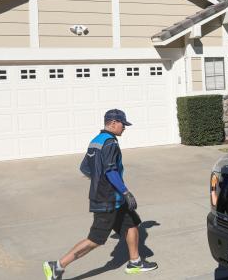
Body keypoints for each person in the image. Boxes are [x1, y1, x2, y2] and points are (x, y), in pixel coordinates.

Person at [43, 109, 158, 279]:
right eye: (122, 124)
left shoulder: (95, 141)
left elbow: (84, 168)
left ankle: (135, 262)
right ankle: (57, 266)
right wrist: (125, 191)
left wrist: (99, 180)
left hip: (112, 197)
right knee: (95, 239)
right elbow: (111, 170)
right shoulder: (111, 142)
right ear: (112, 123)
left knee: (131, 223)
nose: (124, 128)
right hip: (108, 199)